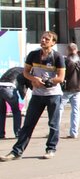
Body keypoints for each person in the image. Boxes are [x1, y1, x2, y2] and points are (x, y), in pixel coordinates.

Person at [1, 31, 66, 161]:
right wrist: (34, 79)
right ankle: (16, 152)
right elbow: (25, 72)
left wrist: (49, 82)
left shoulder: (58, 57)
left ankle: (50, 149)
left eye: (47, 39)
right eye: (42, 38)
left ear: (53, 42)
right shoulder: (33, 55)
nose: (43, 40)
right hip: (37, 95)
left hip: (53, 95)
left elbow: (61, 77)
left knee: (53, 124)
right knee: (28, 124)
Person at [58, 42, 80, 139]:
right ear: (76, 50)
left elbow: (62, 73)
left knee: (59, 109)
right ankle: (74, 132)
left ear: (68, 50)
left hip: (67, 88)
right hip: (78, 88)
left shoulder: (65, 61)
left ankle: (55, 131)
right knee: (75, 111)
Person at [0, 68, 22, 139]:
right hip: (8, 89)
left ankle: (0, 134)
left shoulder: (14, 69)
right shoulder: (25, 72)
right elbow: (24, 87)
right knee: (16, 111)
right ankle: (18, 133)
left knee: (1, 112)